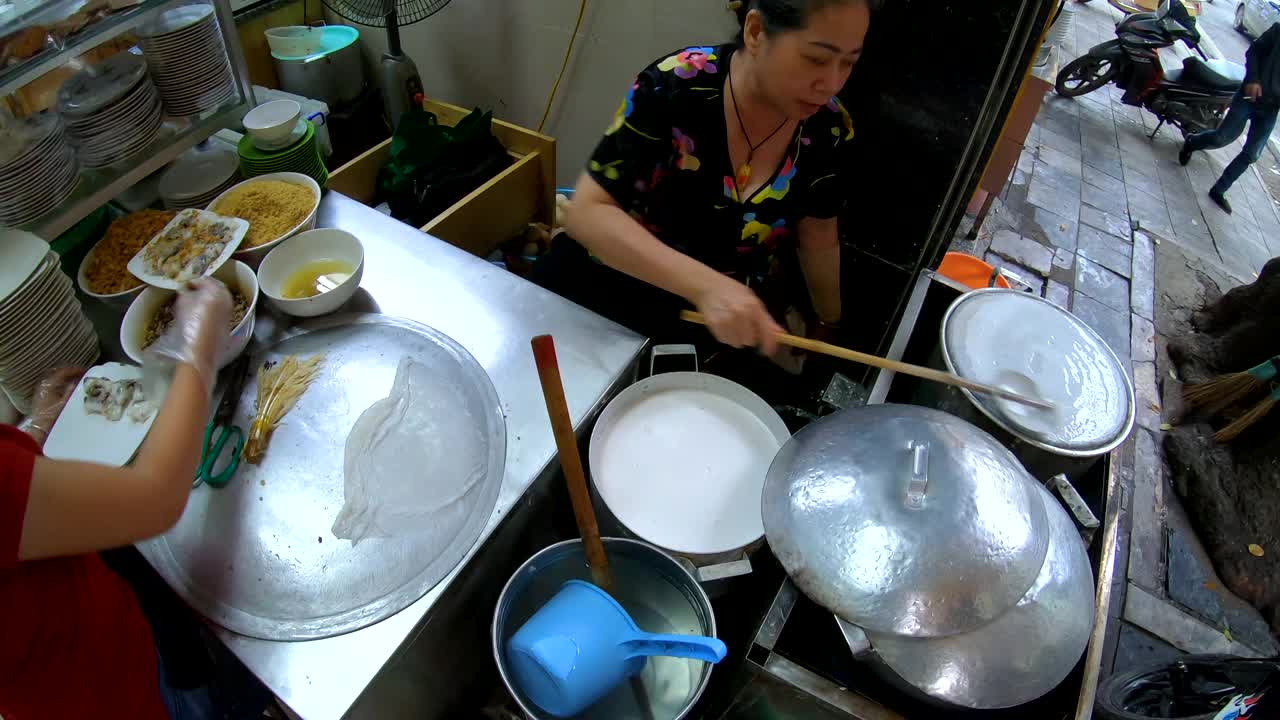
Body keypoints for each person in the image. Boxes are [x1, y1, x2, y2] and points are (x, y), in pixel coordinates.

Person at [535, 0, 872, 363]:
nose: (832, 83)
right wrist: (707, 286)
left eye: (849, 62)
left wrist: (828, 320)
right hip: (600, 293)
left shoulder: (829, 129)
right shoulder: (678, 86)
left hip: (699, 326)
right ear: (756, 32)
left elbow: (818, 234)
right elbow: (588, 214)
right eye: (818, 59)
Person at [1, 278, 267, 719]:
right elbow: (156, 499)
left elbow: (17, 503)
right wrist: (198, 347)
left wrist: (32, 431)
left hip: (113, 649)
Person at [1179, 24, 1280, 215]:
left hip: (1270, 110)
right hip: (1249, 96)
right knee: (1221, 138)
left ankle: (1219, 189)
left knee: (1252, 154)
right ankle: (1192, 141)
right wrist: (1253, 80)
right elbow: (1254, 52)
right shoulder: (1278, 30)